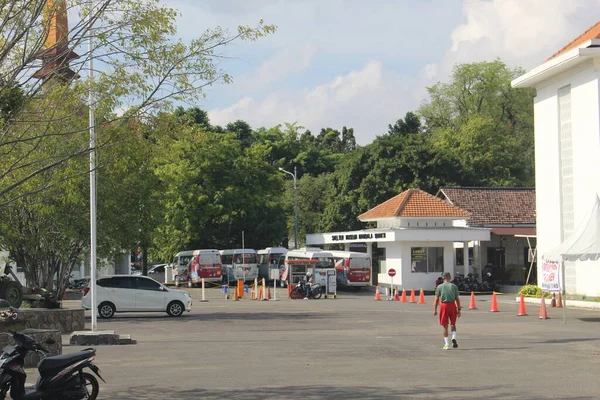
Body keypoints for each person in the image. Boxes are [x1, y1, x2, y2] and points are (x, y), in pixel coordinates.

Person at [433, 272, 462, 350]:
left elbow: (436, 299)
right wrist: (459, 309)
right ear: (450, 278)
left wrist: (435, 309)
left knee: (445, 326)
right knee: (453, 324)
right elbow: (457, 299)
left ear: (443, 278)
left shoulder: (439, 287)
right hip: (452, 305)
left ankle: (446, 344)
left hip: (444, 306)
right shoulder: (454, 286)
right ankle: (453, 337)